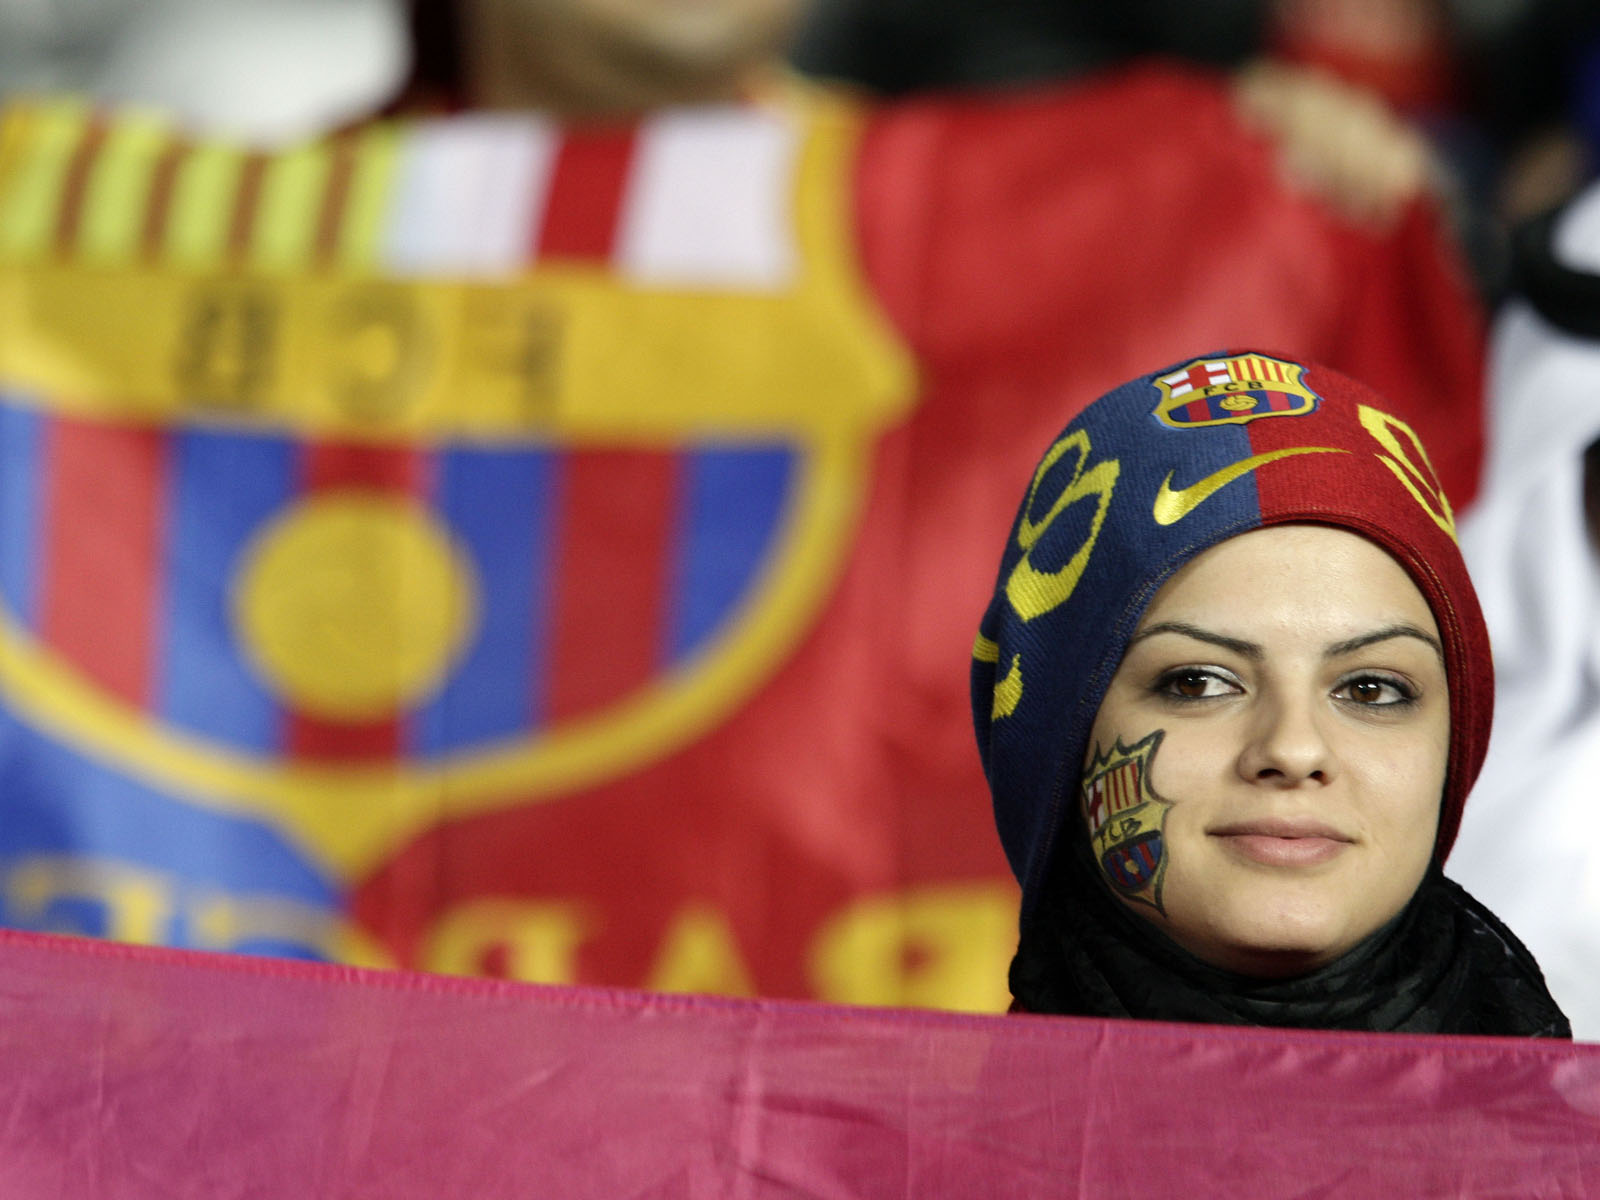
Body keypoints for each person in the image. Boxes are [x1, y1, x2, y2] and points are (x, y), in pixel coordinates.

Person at [972, 349, 1569, 1034]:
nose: (1292, 749)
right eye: (1197, 683)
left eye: (1371, 689)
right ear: (1058, 739)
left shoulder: (1569, 1109)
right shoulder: (909, 1110)